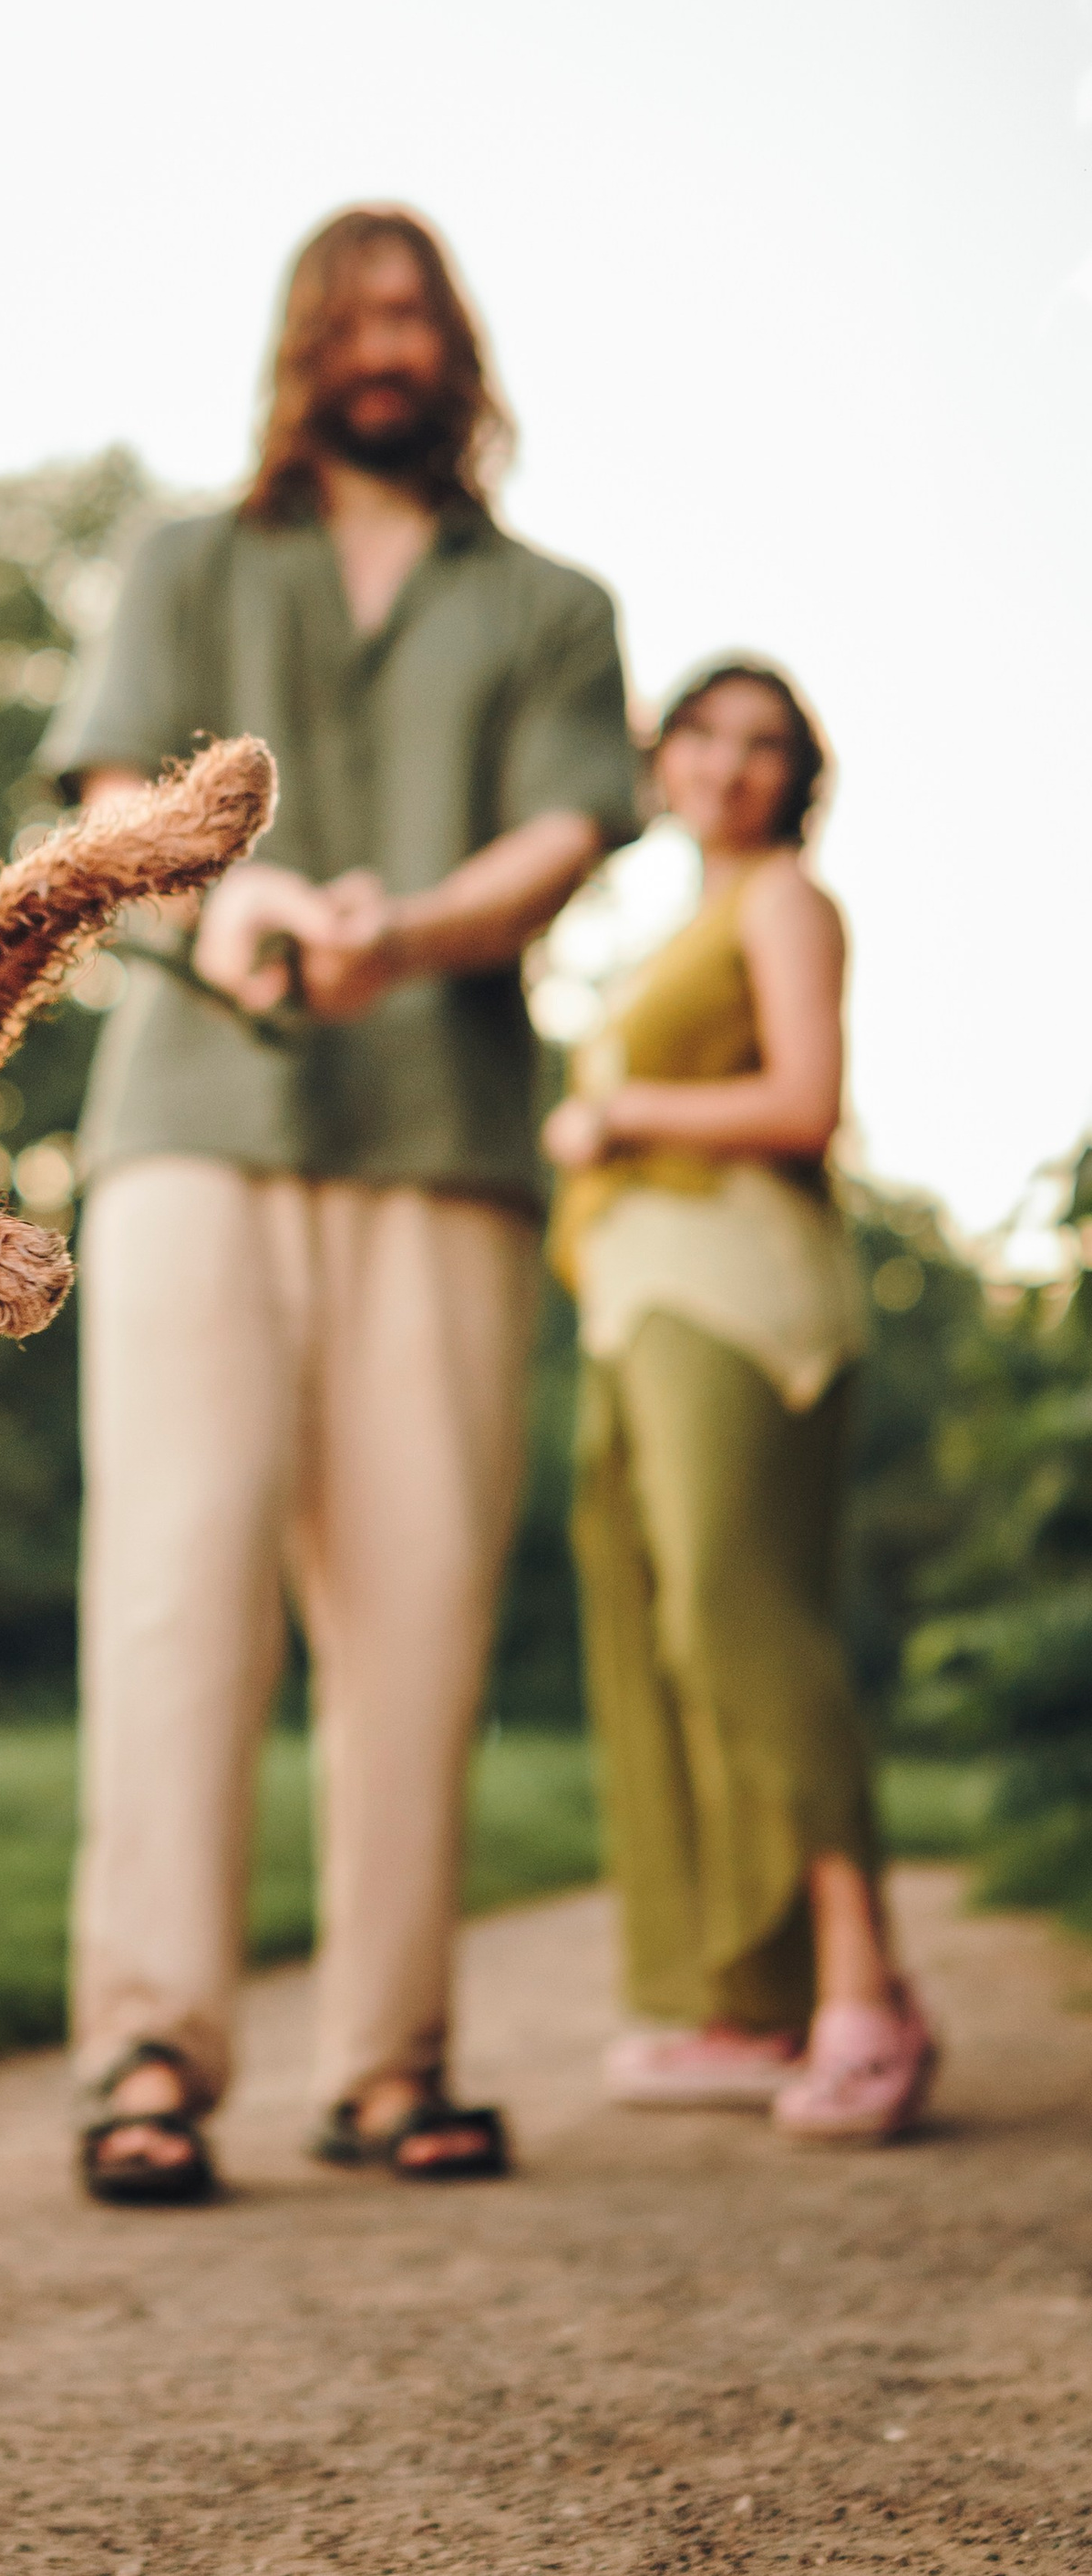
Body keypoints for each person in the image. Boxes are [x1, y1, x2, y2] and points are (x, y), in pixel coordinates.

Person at [41, 204, 639, 2200]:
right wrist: (236, 912)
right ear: (303, 346)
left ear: (458, 351)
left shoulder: (550, 606)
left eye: (419, 311)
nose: (388, 341)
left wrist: (418, 930)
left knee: (415, 1618)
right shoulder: (189, 564)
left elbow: (561, 834)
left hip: (442, 1141)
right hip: (193, 1125)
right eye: (353, 311)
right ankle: (144, 2058)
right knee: (172, 1592)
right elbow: (115, 798)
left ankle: (393, 2066)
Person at [541, 661, 936, 2141]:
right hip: (640, 1306)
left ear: (799, 778)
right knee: (657, 1637)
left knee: (734, 1612)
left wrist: (617, 1112)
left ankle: (867, 1992)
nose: (729, 763)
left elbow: (803, 1102)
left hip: (742, 1299)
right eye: (703, 733)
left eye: (765, 744)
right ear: (664, 759)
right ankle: (750, 2000)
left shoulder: (782, 901)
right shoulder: (685, 924)